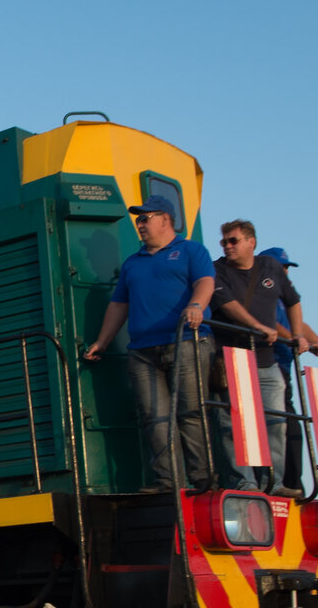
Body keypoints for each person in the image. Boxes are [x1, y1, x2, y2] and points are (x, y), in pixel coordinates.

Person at [83, 196, 217, 492]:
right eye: (138, 219)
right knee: (154, 417)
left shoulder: (191, 250)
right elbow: (119, 305)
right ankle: (167, 481)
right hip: (143, 351)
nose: (140, 224)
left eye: (145, 218)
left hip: (186, 342)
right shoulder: (133, 263)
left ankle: (203, 478)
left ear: (165, 220)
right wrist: (102, 342)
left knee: (191, 412)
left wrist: (196, 305)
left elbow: (205, 282)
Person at [210, 221, 303, 494]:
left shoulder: (271, 268)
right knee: (231, 424)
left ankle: (273, 483)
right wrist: (258, 327)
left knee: (276, 422)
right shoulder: (217, 270)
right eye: (224, 242)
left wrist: (297, 335)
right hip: (231, 359)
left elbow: (293, 300)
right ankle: (245, 483)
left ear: (251, 242)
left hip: (266, 361)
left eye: (233, 241)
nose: (227, 246)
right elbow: (228, 305)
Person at [257, 246, 318, 496]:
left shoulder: (283, 297)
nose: (285, 272)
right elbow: (270, 324)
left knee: (291, 425)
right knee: (281, 423)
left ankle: (293, 482)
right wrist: (296, 341)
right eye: (281, 267)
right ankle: (279, 482)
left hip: (284, 368)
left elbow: (301, 326)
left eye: (286, 268)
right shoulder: (260, 294)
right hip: (268, 366)